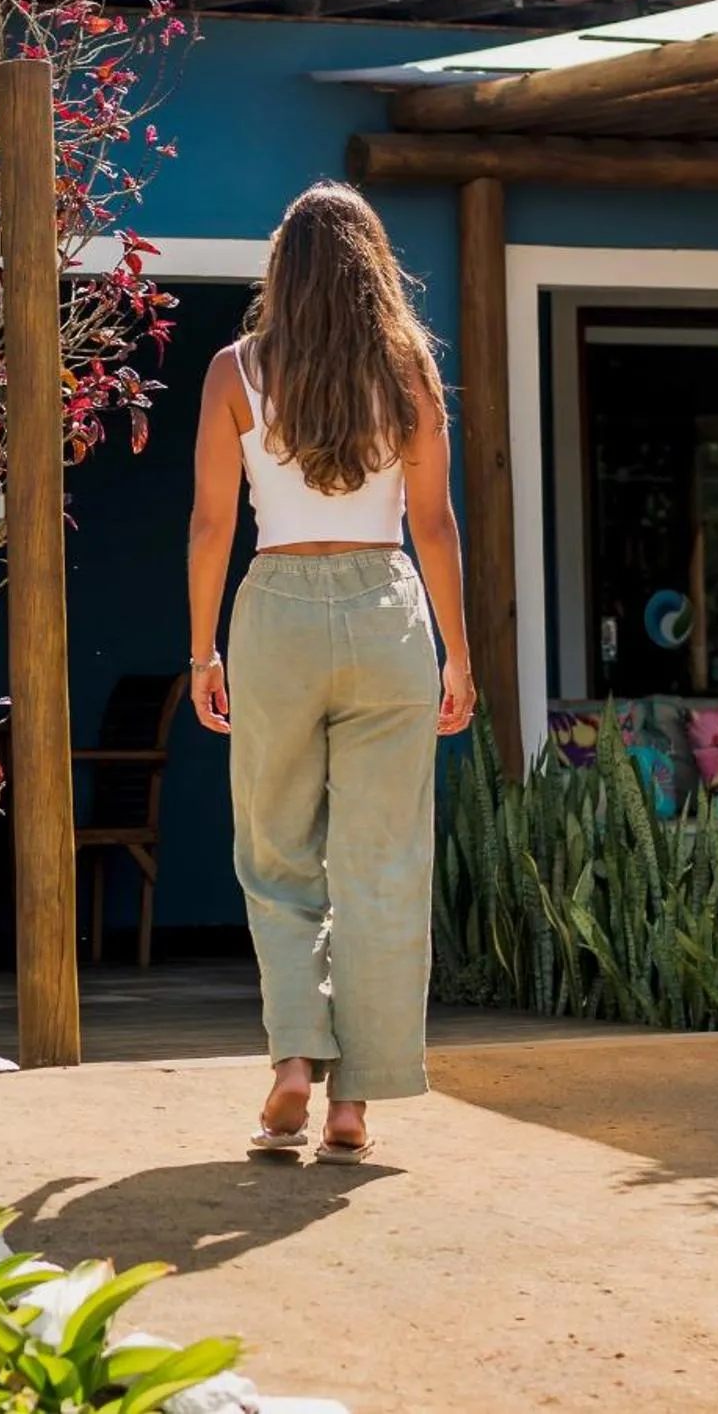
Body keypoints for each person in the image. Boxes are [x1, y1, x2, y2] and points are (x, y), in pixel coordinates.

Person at [187, 181, 474, 1164]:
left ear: (283, 269)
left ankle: (293, 1070)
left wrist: (201, 651)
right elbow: (433, 523)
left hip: (274, 612)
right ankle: (356, 1100)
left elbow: (212, 525)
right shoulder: (409, 373)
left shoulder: (236, 371)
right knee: (383, 860)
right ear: (372, 269)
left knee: (276, 852)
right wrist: (458, 654)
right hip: (389, 614)